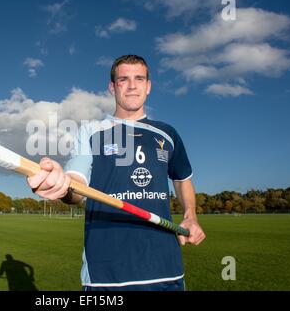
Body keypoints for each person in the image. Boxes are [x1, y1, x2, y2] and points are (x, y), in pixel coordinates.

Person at [27, 54, 205, 291]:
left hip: (167, 271)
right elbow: (77, 183)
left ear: (148, 86)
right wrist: (62, 185)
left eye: (139, 79)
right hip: (107, 276)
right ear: (112, 87)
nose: (132, 85)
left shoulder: (167, 133)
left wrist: (190, 215)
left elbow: (182, 179)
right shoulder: (91, 131)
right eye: (124, 79)